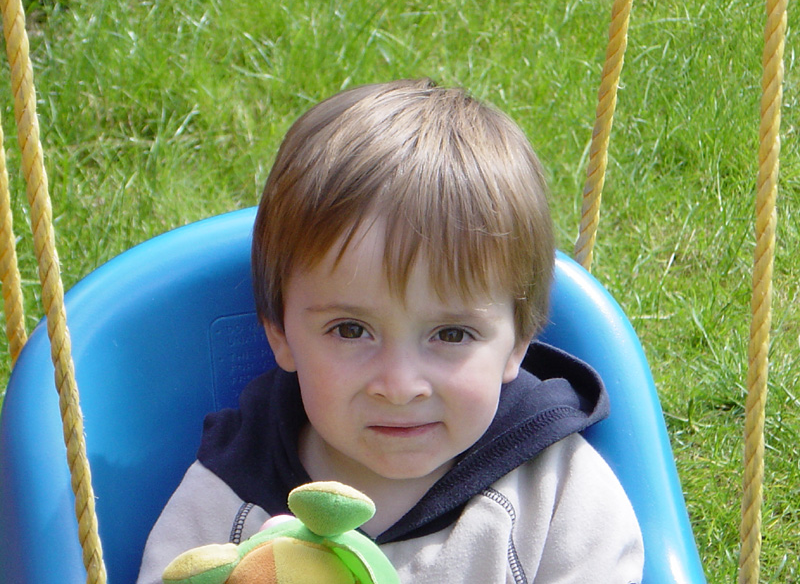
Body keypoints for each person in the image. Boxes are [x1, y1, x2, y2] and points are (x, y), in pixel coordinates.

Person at [137, 79, 644, 584]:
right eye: (351, 329)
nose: (400, 386)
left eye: (451, 335)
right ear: (280, 334)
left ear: (517, 343)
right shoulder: (226, 502)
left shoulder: (557, 494)